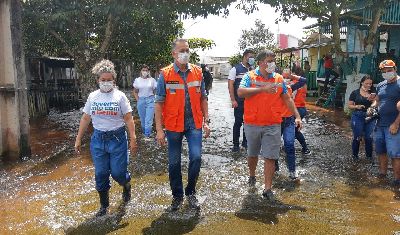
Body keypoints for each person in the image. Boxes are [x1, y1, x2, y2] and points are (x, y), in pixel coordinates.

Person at [74, 59, 137, 217]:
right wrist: (78, 138)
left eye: (109, 80)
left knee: (117, 173)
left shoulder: (120, 96)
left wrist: (133, 139)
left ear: (114, 80)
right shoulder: (93, 97)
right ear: (98, 80)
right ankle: (104, 206)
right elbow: (85, 118)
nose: (106, 82)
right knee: (101, 174)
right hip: (98, 139)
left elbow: (129, 118)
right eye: (103, 80)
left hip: (117, 139)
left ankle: (126, 184)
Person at [237, 50, 302, 201]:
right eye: (269, 60)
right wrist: (262, 89)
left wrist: (297, 116)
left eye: (273, 60)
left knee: (270, 156)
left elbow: (287, 99)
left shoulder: (278, 78)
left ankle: (267, 188)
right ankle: (252, 175)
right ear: (260, 62)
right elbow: (240, 92)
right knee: (252, 154)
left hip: (273, 123)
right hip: (252, 123)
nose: (272, 63)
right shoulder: (250, 76)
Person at [154, 38, 211, 211]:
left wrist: (206, 121)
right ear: (174, 53)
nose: (185, 53)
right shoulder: (165, 74)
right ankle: (177, 196)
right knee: (173, 163)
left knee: (196, 157)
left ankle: (191, 192)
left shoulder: (198, 72)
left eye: (187, 50)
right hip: (173, 124)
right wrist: (159, 130)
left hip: (194, 123)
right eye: (182, 50)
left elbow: (203, 98)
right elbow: (158, 103)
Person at [368, 60, 400, 188]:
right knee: (381, 151)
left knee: (395, 154)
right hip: (379, 124)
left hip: (393, 125)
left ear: (395, 69)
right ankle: (382, 175)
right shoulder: (381, 85)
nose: (387, 73)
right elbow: (378, 101)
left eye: (389, 70)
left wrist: (396, 124)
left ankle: (398, 180)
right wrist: (372, 107)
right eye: (384, 71)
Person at [280, 69, 307, 181]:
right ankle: (274, 168)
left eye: (287, 77)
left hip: (289, 119)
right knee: (275, 146)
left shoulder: (291, 87)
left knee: (289, 145)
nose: (286, 78)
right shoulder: (275, 87)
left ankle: (292, 171)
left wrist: (291, 75)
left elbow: (303, 80)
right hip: (276, 120)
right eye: (284, 76)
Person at [228, 49, 255, 152]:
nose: (252, 59)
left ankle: (245, 143)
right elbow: (230, 85)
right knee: (238, 122)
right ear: (245, 57)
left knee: (248, 122)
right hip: (239, 101)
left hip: (250, 102)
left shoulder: (252, 70)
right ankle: (235, 145)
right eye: (250, 57)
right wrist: (233, 100)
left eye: (253, 57)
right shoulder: (235, 69)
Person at [348, 75, 376, 162]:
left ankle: (369, 157)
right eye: (367, 83)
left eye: (370, 84)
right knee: (357, 136)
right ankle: (355, 156)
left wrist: (373, 103)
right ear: (362, 83)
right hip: (358, 115)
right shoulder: (355, 93)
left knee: (369, 137)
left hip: (370, 117)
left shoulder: (373, 93)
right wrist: (357, 106)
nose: (369, 85)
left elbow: (377, 102)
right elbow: (349, 105)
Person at [132, 64, 157, 139]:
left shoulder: (152, 80)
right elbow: (135, 91)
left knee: (148, 120)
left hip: (151, 100)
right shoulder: (137, 80)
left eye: (146, 70)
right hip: (141, 100)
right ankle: (144, 133)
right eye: (143, 70)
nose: (145, 72)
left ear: (148, 71)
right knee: (143, 120)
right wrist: (138, 100)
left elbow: (156, 90)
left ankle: (147, 136)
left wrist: (155, 99)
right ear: (141, 71)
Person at [293, 76, 311, 155]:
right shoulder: (304, 84)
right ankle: (305, 148)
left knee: (293, 130)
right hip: (302, 109)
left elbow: (290, 98)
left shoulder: (294, 83)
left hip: (296, 109)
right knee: (294, 129)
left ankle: (305, 148)